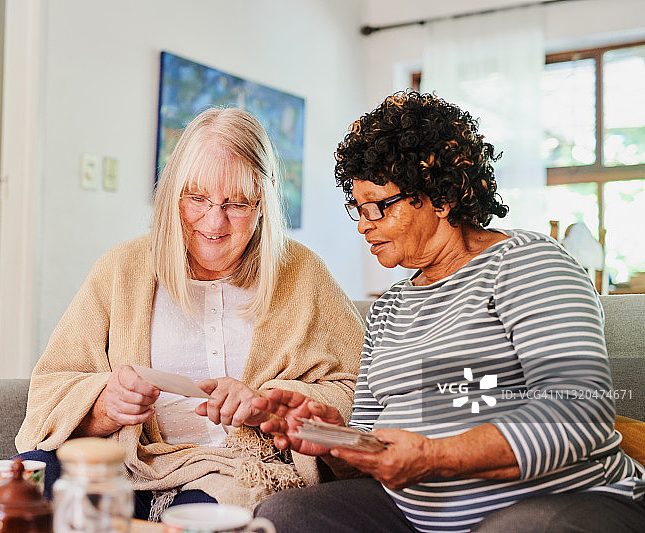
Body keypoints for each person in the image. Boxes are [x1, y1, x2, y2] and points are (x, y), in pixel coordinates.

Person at [252, 91, 645, 532]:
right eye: (356, 208)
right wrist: (331, 437)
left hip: (564, 500)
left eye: (378, 206)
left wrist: (433, 457)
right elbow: (367, 461)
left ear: (442, 197)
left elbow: (578, 413)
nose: (363, 224)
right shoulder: (388, 311)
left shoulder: (528, 263)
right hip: (417, 516)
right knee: (286, 516)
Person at [14, 107, 364, 521]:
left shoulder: (302, 273)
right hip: (128, 465)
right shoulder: (122, 268)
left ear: (263, 203)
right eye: (197, 198)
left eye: (236, 204)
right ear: (173, 193)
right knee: (29, 481)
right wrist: (104, 405)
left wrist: (268, 404)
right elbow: (49, 390)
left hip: (238, 472)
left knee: (212, 516)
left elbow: (362, 394)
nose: (214, 221)